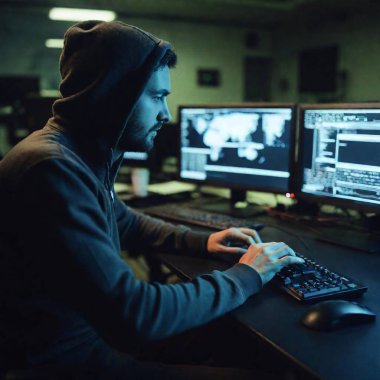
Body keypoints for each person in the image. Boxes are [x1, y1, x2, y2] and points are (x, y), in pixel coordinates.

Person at [0, 20, 304, 379]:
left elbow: (125, 220)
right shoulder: (50, 169)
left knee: (237, 342)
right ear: (113, 93)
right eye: (158, 96)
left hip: (93, 335)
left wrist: (203, 240)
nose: (166, 114)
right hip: (67, 360)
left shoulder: (77, 154)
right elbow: (137, 314)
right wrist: (247, 276)